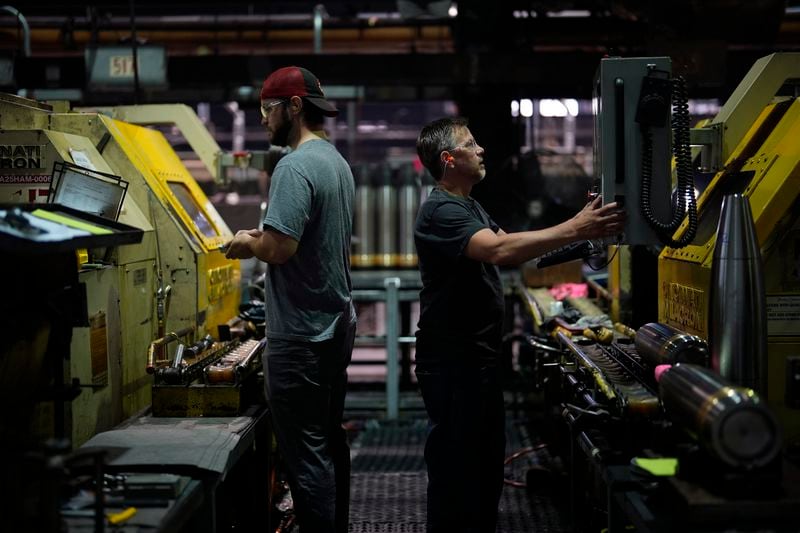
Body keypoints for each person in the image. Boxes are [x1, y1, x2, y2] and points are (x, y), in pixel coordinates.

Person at [413, 117, 625, 532]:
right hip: (454, 363)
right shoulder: (440, 210)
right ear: (448, 159)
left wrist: (577, 231)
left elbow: (514, 243)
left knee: (485, 466)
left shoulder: (469, 204)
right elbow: (499, 250)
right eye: (471, 144)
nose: (481, 150)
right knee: (458, 471)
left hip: (478, 360)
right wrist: (577, 226)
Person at [225, 66, 356, 533]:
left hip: (301, 333)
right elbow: (305, 234)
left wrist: (247, 244)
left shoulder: (294, 165)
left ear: (294, 107)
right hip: (335, 322)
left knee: (306, 453)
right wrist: (265, 235)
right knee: (328, 441)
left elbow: (281, 249)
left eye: (267, 108)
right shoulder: (335, 162)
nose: (262, 119)